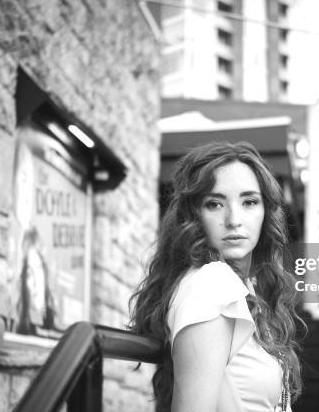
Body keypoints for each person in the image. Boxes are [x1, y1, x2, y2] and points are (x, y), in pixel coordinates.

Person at [129, 142, 304, 412]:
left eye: (249, 202)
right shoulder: (212, 284)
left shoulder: (242, 287)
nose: (233, 219)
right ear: (194, 215)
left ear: (265, 212)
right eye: (214, 203)